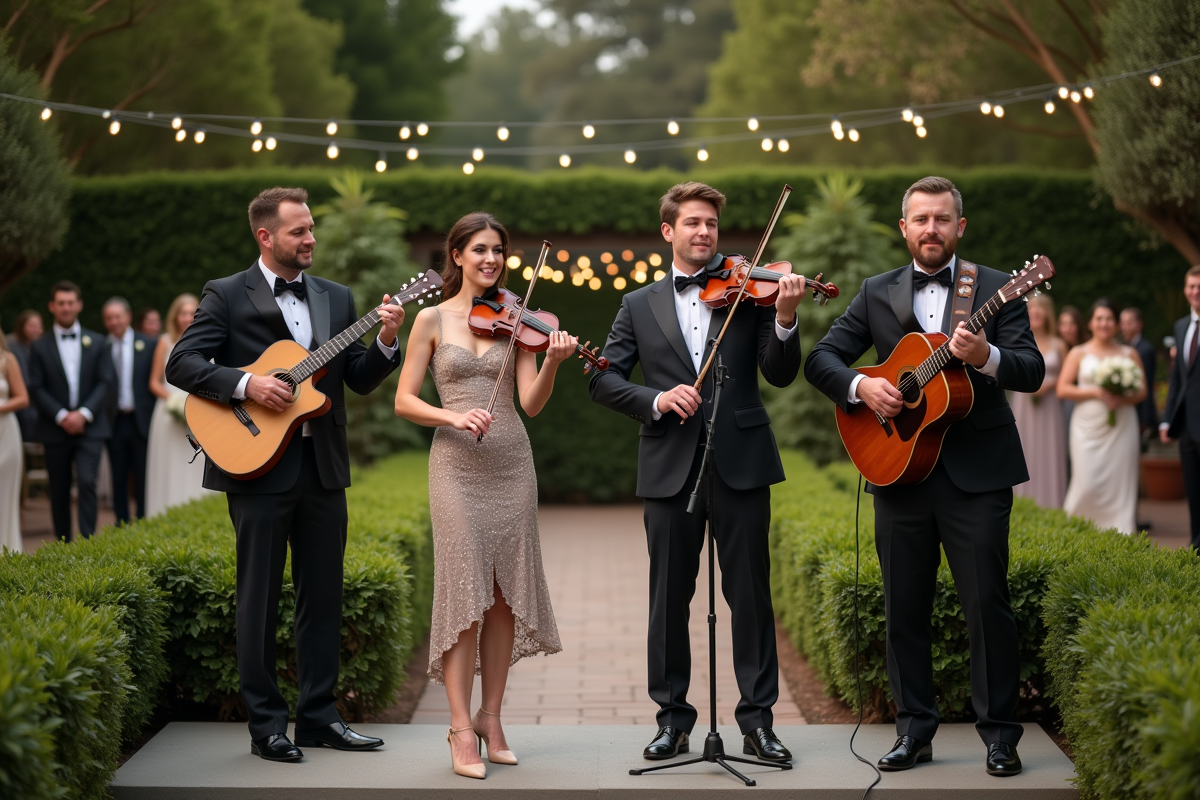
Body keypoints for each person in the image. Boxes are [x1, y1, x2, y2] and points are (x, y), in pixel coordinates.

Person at [806, 176, 1043, 777]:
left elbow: (1032, 369)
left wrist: (985, 356)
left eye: (941, 219)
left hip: (976, 475)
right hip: (899, 469)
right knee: (903, 608)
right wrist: (862, 387)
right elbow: (821, 359)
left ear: (959, 227)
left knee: (987, 604)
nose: (931, 229)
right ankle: (913, 731)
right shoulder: (875, 291)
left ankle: (1000, 736)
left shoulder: (995, 287)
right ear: (904, 227)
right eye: (920, 219)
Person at [165, 187, 404, 763]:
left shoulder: (336, 296)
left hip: (323, 466)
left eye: (312, 228)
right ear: (265, 236)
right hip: (254, 467)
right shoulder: (226, 293)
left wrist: (387, 340)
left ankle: (319, 717)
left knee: (324, 598)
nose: (311, 238)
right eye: (299, 231)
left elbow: (357, 378)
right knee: (259, 599)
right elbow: (182, 363)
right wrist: (247, 384)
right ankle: (267, 726)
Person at [590, 182, 806, 765]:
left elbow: (779, 372)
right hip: (669, 467)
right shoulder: (638, 304)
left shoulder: (751, 293)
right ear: (669, 231)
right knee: (667, 599)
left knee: (751, 597)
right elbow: (603, 380)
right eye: (692, 222)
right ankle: (672, 722)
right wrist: (657, 400)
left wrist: (785, 317)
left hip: (743, 462)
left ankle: (758, 724)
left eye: (711, 222)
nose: (704, 231)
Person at [393, 212, 564, 780]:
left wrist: (553, 362)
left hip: (511, 463)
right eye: (480, 250)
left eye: (498, 251)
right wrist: (453, 416)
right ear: (458, 255)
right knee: (464, 592)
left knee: (502, 597)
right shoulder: (431, 319)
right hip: (455, 466)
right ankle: (460, 726)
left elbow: (531, 404)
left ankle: (492, 718)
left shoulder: (517, 319)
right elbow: (404, 401)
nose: (491, 259)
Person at [27, 281, 116, 543]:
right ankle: (63, 544)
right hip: (55, 427)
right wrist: (62, 415)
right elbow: (36, 386)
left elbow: (105, 381)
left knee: (88, 482)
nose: (66, 308)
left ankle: (87, 543)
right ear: (52, 306)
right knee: (59, 488)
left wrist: (84, 413)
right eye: (61, 303)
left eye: (70, 302)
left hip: (91, 425)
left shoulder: (98, 341)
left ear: (79, 305)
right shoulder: (39, 346)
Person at [1058, 299, 1146, 535]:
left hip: (1122, 427)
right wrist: (1096, 392)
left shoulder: (1130, 353)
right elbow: (1063, 389)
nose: (1104, 323)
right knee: (1086, 482)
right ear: (1090, 323)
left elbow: (1142, 392)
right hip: (1086, 429)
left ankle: (1122, 531)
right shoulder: (1078, 353)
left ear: (1116, 324)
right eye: (1099, 318)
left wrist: (1122, 398)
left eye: (1109, 319)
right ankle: (1078, 531)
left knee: (1121, 482)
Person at [145, 294, 215, 516]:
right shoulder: (165, 342)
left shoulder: (210, 341)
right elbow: (154, 382)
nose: (187, 318)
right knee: (171, 463)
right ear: (175, 316)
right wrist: (173, 400)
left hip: (200, 412)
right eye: (182, 313)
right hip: (169, 412)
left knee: (198, 462)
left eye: (192, 313)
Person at [103, 297, 158, 524]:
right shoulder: (101, 346)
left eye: (117, 317)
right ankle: (121, 522)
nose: (114, 322)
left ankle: (144, 519)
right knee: (118, 475)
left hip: (141, 419)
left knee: (144, 473)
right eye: (109, 318)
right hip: (114, 421)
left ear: (127, 316)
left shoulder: (149, 344)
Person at [1012, 294, 1068, 508]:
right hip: (1024, 404)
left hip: (1051, 406)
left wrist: (1049, 385)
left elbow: (1067, 376)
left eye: (1040, 308)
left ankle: (1053, 503)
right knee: (1025, 448)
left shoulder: (1059, 344)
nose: (1035, 312)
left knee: (1050, 450)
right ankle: (1022, 501)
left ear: (1047, 313)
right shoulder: (1018, 341)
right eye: (1031, 307)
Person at [1160, 265, 1200, 552]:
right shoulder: (1181, 326)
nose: (1196, 292)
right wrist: (1166, 420)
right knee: (1193, 489)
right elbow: (1177, 378)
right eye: (1191, 286)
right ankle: (1196, 545)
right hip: (1185, 424)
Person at [0, 323, 30, 552]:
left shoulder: (7, 360)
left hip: (5, 433)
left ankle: (6, 546)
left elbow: (22, 398)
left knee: (4, 492)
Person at [1120, 307, 1158, 436]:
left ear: (1139, 324)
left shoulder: (1146, 350)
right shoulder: (1120, 347)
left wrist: (1146, 418)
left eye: (1128, 323)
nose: (1124, 327)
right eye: (1122, 323)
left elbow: (1147, 383)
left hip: (1140, 411)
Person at [6, 309, 43, 442]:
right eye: (31, 326)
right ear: (22, 326)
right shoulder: (11, 344)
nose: (36, 330)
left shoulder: (41, 345)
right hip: (19, 396)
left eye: (38, 326)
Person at [1057, 305, 1087, 432]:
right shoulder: (1056, 349)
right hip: (1058, 403)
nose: (1067, 329)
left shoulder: (1087, 348)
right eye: (1063, 324)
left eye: (1072, 324)